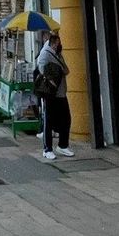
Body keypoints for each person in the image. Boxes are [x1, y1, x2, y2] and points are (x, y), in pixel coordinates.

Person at [34, 31, 74, 161]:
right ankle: (47, 149)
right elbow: (41, 69)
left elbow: (66, 70)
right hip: (51, 94)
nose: (60, 45)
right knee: (48, 122)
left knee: (66, 119)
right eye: (58, 43)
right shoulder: (45, 54)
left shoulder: (57, 54)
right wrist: (51, 80)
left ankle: (63, 145)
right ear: (53, 43)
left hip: (61, 93)